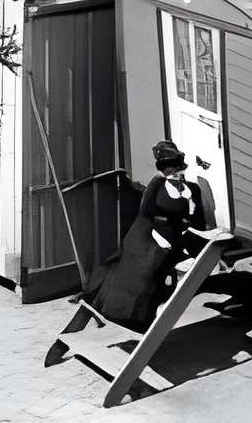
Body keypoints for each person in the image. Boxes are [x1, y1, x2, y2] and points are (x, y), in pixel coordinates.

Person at [81, 140, 196, 331]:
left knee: (151, 279)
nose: (177, 173)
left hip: (167, 236)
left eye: (178, 169)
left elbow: (188, 214)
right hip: (149, 236)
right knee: (139, 278)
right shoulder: (157, 186)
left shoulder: (186, 189)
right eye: (173, 169)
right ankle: (127, 317)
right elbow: (146, 215)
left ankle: (140, 317)